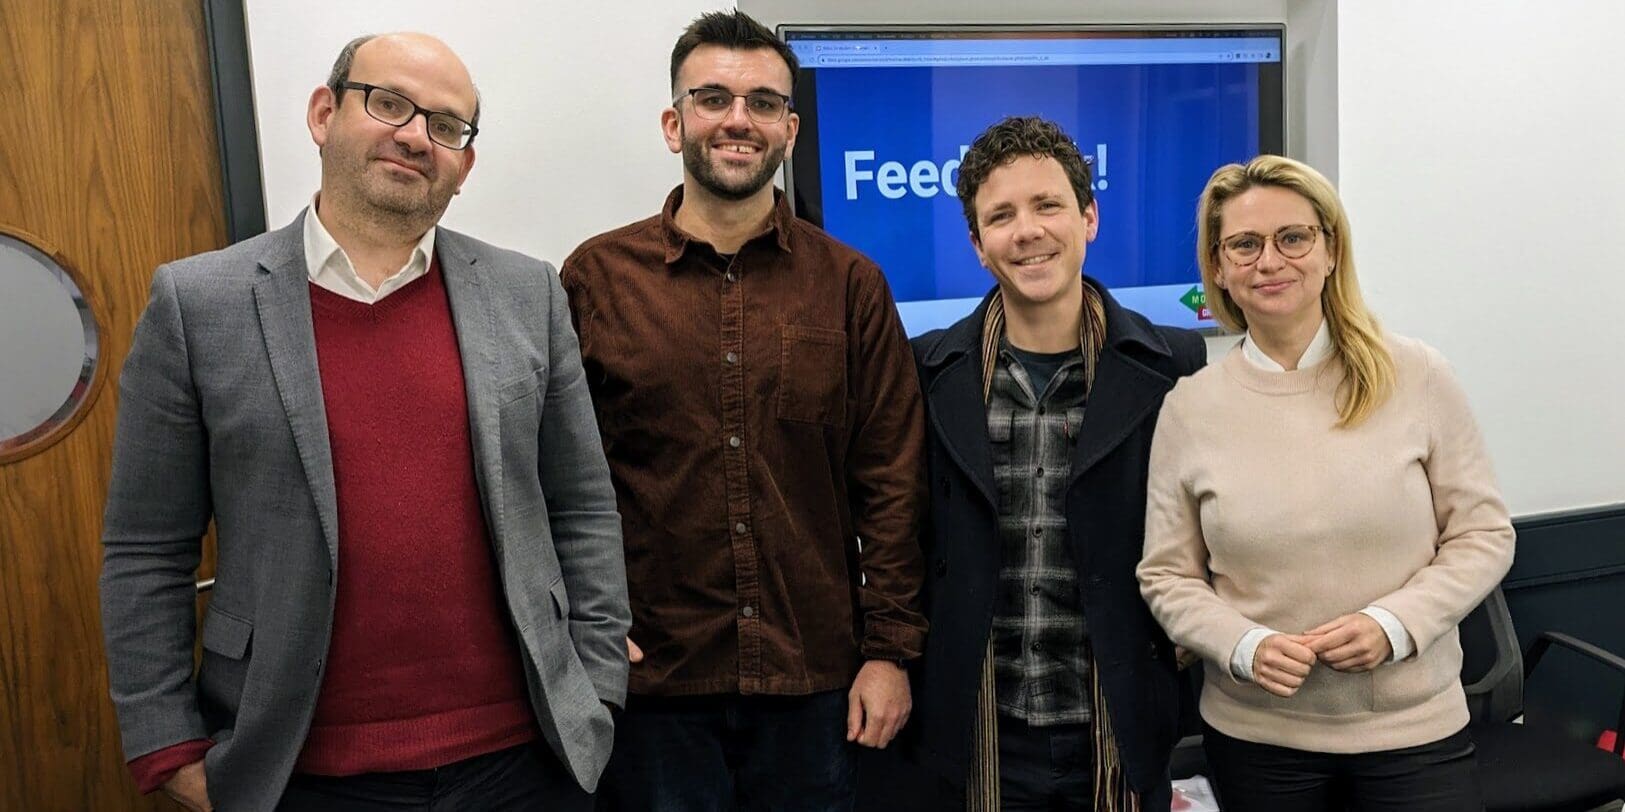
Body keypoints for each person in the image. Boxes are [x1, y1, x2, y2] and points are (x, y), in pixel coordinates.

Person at [98, 32, 628, 812]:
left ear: (464, 165)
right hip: (296, 769)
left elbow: (582, 505)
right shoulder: (197, 305)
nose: (416, 136)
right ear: (324, 112)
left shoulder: (527, 294)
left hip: (525, 762)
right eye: (389, 104)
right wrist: (164, 743)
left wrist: (599, 683)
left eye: (446, 127)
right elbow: (146, 545)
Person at [559, 10, 927, 811]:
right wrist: (584, 627)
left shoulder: (849, 284)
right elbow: (558, 479)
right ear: (673, 122)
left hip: (813, 680)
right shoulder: (595, 278)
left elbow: (891, 482)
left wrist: (890, 651)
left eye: (763, 103)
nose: (738, 120)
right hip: (651, 680)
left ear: (789, 130)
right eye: (714, 97)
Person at [1137, 154, 1515, 811]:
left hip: (1413, 738)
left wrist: (1393, 624)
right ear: (1218, 267)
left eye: (1293, 237)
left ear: (1330, 249)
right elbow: (1166, 577)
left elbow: (1481, 535)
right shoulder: (1190, 408)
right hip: (1257, 742)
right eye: (1244, 245)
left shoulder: (1417, 375)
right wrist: (1241, 645)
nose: (1269, 260)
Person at [899, 115, 1204, 812]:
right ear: (977, 245)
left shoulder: (1174, 364)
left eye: (1047, 206)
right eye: (1000, 216)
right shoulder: (926, 368)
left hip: (1121, 727)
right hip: (978, 734)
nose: (1026, 231)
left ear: (1088, 217)